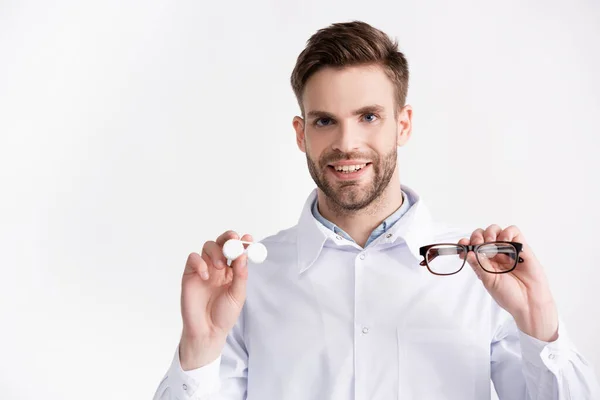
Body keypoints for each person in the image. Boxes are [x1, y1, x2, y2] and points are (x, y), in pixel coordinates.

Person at [153, 21, 599, 400]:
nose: (347, 144)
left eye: (368, 116)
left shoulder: (483, 277)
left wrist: (541, 326)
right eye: (325, 120)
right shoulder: (246, 285)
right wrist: (199, 351)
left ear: (402, 125)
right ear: (301, 133)